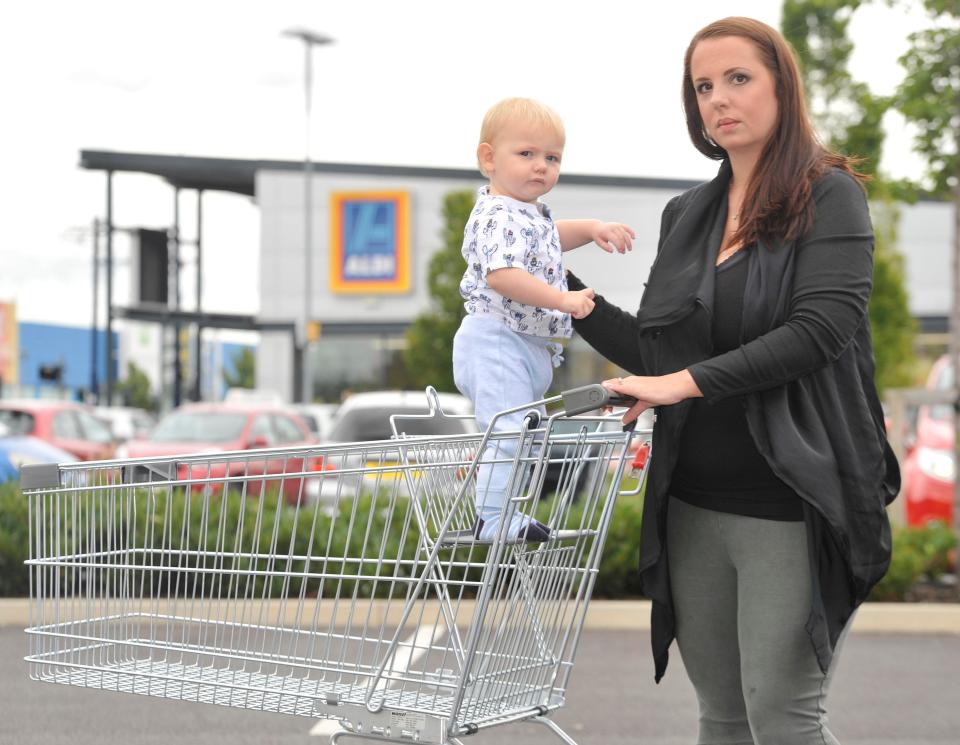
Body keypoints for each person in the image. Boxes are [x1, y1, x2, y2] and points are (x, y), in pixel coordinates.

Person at [570, 17, 899, 745]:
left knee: (783, 720)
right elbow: (657, 350)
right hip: (691, 503)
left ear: (781, 84)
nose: (719, 99)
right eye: (703, 87)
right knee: (721, 719)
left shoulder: (830, 195)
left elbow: (819, 332)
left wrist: (681, 382)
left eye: (738, 79)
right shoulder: (685, 214)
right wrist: (564, 293)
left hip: (790, 501)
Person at [452, 97, 635, 542]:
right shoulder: (497, 215)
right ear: (488, 158)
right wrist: (562, 299)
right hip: (496, 339)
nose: (541, 167)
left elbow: (551, 238)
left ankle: (502, 513)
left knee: (523, 436)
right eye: (527, 154)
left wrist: (592, 228)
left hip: (525, 345)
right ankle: (493, 519)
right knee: (509, 432)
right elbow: (503, 276)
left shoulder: (528, 215)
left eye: (552, 158)